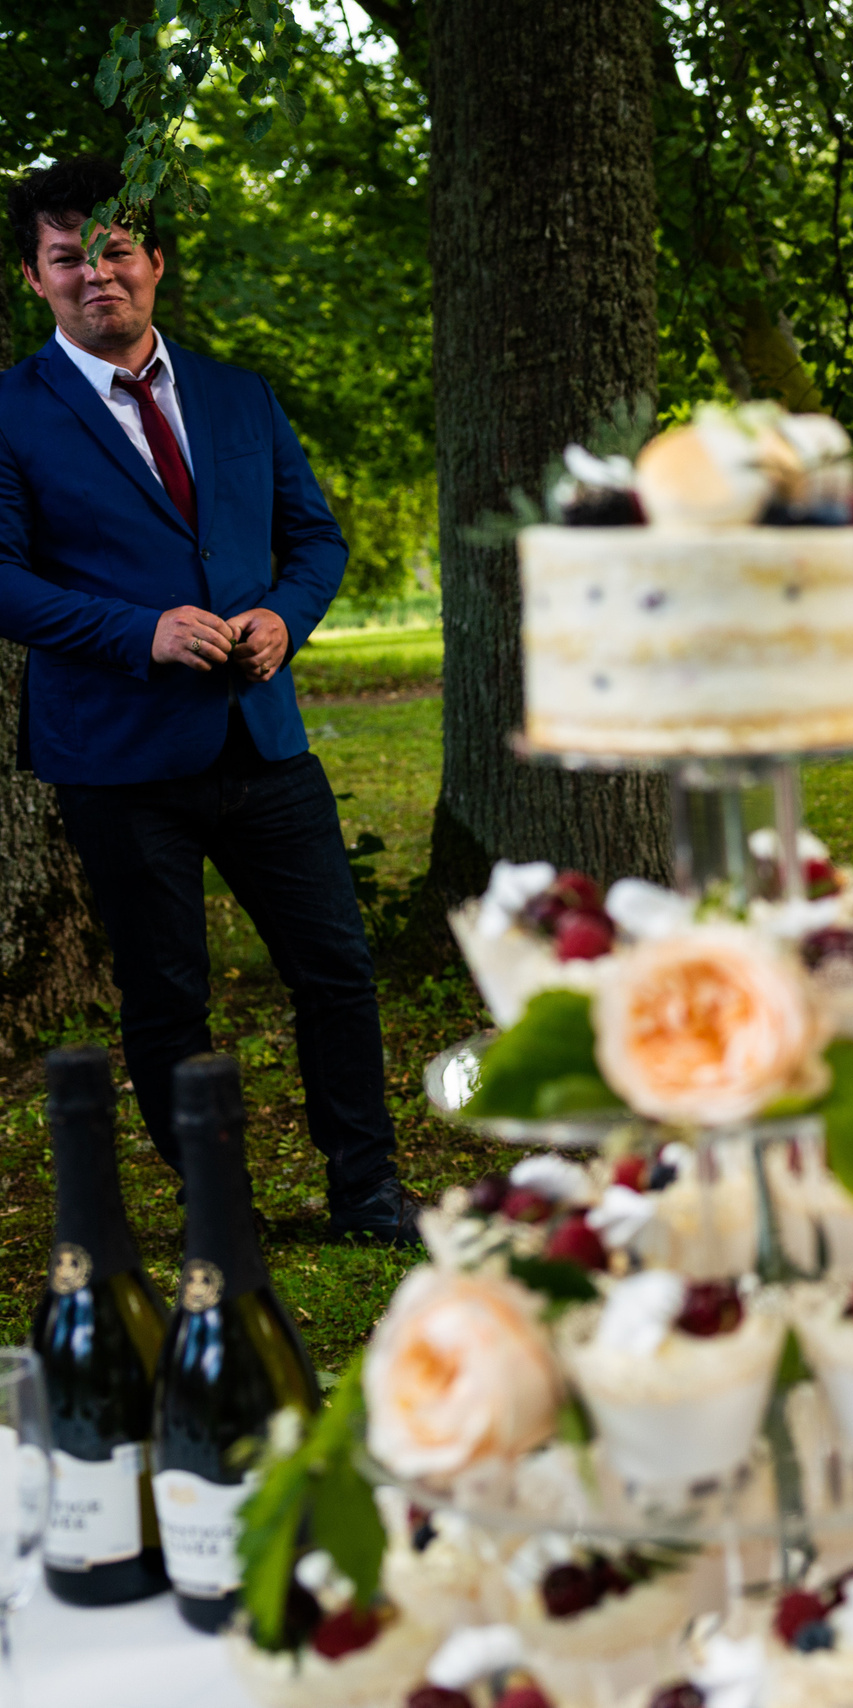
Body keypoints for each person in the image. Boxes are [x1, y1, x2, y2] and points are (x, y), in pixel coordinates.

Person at [1, 158, 415, 1242]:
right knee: (168, 994)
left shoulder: (238, 394)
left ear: (155, 261)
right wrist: (137, 632)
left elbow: (315, 539)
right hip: (117, 756)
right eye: (67, 258)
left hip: (264, 741)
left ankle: (367, 1190)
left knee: (336, 967)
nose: (99, 274)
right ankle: (216, 1210)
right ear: (35, 280)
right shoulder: (8, 411)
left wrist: (288, 614)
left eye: (117, 250)